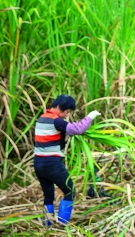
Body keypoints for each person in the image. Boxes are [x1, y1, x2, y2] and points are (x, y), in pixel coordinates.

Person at [33, 95, 101, 227]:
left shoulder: (41, 118)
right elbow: (77, 129)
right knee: (70, 191)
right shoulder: (56, 121)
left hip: (38, 163)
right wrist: (90, 117)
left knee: (48, 195)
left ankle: (48, 225)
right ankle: (62, 224)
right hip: (52, 163)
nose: (66, 115)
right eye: (66, 111)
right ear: (59, 107)